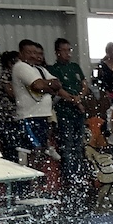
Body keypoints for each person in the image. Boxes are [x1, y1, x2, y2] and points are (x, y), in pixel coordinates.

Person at [48, 38, 89, 185]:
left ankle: (79, 176)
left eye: (69, 50)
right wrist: (74, 101)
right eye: (64, 50)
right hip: (64, 112)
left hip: (78, 112)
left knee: (79, 145)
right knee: (67, 145)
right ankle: (69, 178)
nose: (68, 53)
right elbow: (59, 90)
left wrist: (80, 97)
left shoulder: (75, 67)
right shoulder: (53, 69)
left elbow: (84, 84)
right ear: (57, 52)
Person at [12, 39, 62, 158]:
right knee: (31, 151)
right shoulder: (21, 66)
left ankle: (39, 170)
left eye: (35, 52)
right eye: (29, 52)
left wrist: (45, 86)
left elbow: (58, 84)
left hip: (43, 116)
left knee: (42, 151)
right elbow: (37, 86)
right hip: (28, 116)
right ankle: (28, 170)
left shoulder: (40, 69)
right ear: (21, 53)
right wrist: (48, 86)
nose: (33, 55)